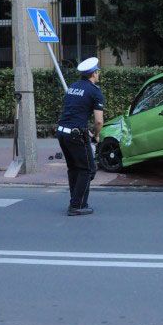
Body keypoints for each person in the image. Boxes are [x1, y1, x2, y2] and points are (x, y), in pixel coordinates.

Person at [56, 57, 105, 216]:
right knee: (88, 169)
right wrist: (96, 135)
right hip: (76, 134)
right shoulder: (95, 91)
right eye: (97, 71)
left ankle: (77, 201)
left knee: (74, 168)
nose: (98, 74)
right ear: (93, 74)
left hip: (62, 132)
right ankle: (76, 205)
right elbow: (98, 121)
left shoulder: (73, 87)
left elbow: (74, 110)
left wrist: (86, 131)